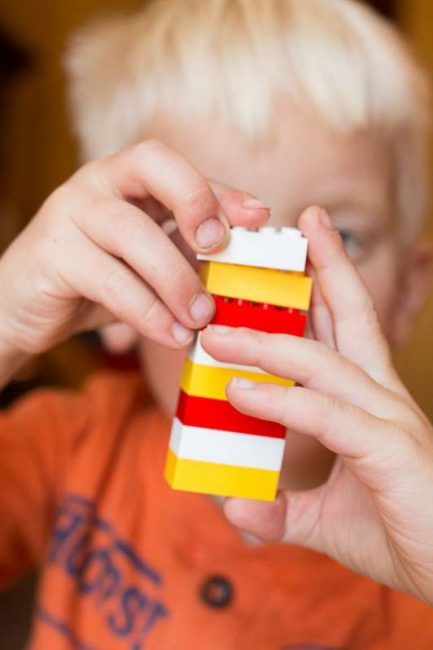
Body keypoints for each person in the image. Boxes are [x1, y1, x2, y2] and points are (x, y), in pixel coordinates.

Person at [1, 0, 433, 647]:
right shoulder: (72, 444)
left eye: (341, 234)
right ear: (112, 287)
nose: (277, 291)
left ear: (406, 293)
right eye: (213, 238)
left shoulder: (413, 565)